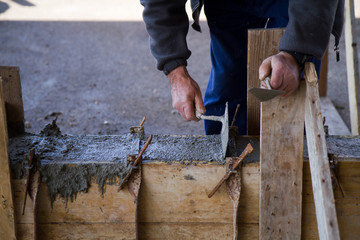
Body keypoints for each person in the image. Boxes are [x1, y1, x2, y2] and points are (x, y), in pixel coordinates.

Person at [140, 0, 344, 135]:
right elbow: (159, 3)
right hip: (228, 5)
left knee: (288, 102)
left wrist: (296, 52)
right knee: (226, 99)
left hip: (293, 4)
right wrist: (176, 71)